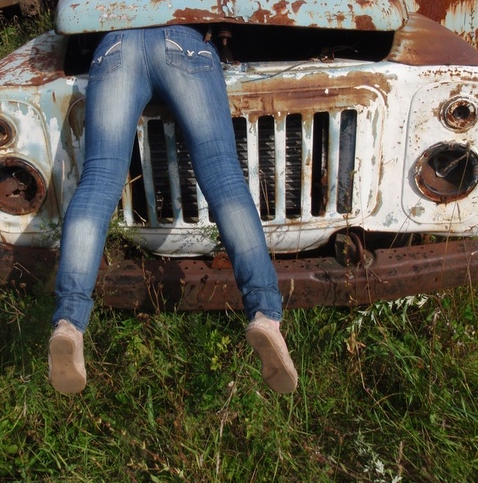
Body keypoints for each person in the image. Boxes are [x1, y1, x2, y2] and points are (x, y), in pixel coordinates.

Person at [48, 25, 298, 395]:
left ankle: (69, 322)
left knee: (98, 180)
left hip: (115, 46)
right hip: (182, 40)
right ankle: (264, 314)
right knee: (223, 174)